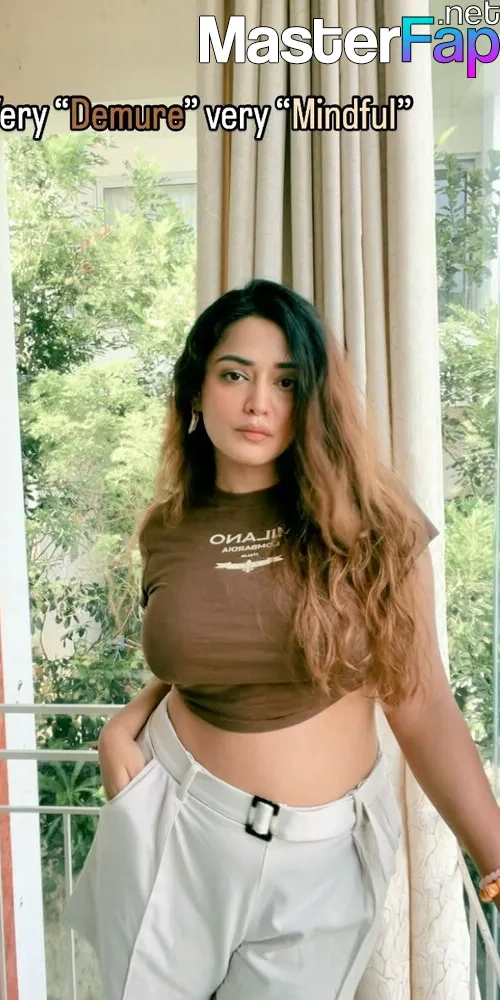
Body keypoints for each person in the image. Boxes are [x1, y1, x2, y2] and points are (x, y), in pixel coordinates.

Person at [65, 279, 500, 999]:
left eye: (286, 381)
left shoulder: (374, 524)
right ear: (197, 390)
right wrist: (124, 737)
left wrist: (494, 856)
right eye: (235, 375)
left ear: (314, 398)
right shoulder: (167, 528)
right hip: (172, 824)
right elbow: (198, 657)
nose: (258, 402)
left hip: (322, 860)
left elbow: (421, 701)